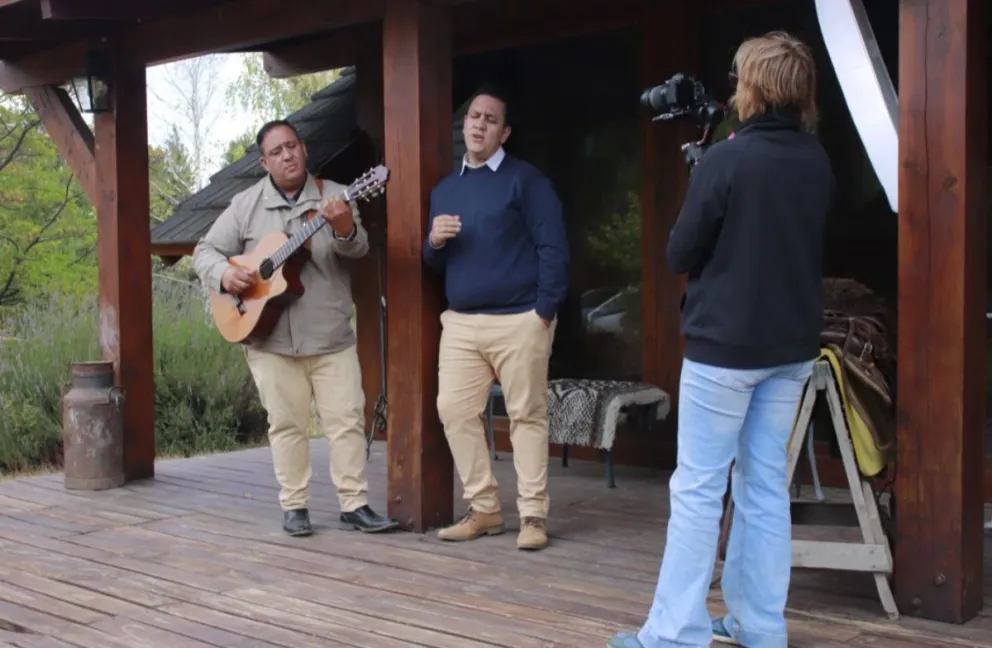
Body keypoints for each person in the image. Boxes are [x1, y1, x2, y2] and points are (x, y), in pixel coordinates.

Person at [609, 31, 833, 648]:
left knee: (699, 489)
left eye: (741, 79)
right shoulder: (816, 160)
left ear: (756, 87)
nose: (735, 88)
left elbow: (681, 249)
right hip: (789, 350)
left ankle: (674, 634)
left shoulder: (729, 159)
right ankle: (760, 627)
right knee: (764, 488)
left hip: (724, 350)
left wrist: (701, 177)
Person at [192, 119, 398, 538]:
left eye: (292, 147)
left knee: (346, 421)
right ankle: (295, 506)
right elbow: (205, 250)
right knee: (286, 425)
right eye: (277, 151)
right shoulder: (246, 204)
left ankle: (354, 504)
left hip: (330, 335)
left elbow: (356, 248)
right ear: (265, 161)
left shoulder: (338, 195)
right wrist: (223, 277)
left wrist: (343, 225)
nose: (287, 156)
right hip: (270, 339)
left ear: (304, 150)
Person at [422, 85, 570, 551]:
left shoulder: (526, 181)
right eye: (473, 117)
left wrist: (543, 312)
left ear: (503, 133)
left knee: (526, 415)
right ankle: (485, 509)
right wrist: (435, 241)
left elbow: (553, 248)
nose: (479, 124)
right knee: (453, 410)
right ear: (463, 126)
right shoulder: (446, 189)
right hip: (462, 324)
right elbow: (433, 264)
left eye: (490, 119)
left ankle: (533, 516)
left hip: (520, 319)